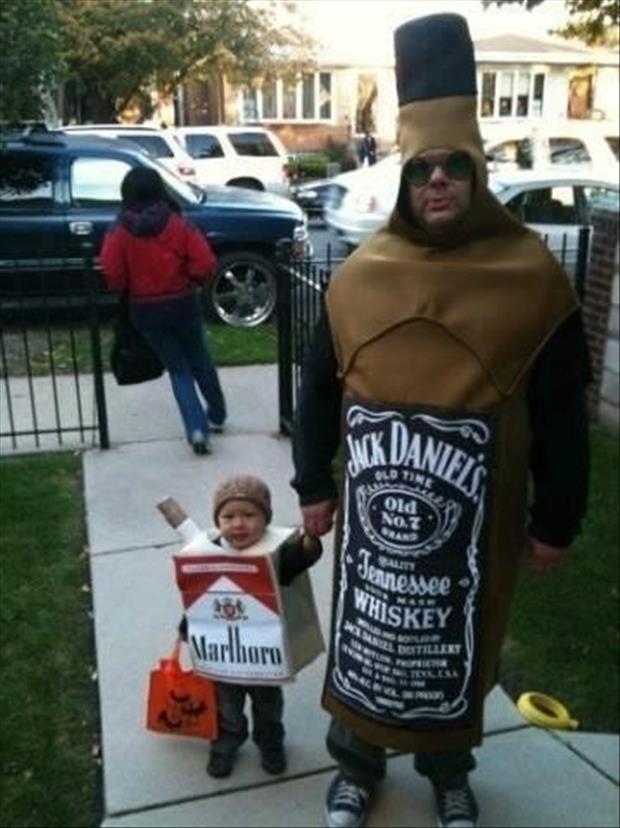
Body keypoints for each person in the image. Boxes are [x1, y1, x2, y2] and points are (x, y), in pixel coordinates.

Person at [291, 14, 590, 828]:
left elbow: (563, 411)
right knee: (372, 634)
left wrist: (556, 520)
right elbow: (317, 388)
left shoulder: (532, 277)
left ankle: (449, 770)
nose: (437, 182)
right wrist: (313, 481)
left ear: (478, 173)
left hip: (480, 520)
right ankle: (356, 767)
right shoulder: (361, 277)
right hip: (378, 522)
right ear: (403, 180)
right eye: (421, 168)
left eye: (454, 166)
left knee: (457, 642)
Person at [179, 475, 323, 779]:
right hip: (223, 657)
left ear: (265, 519)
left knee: (268, 708)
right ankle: (225, 743)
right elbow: (201, 598)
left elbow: (301, 558)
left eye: (248, 514)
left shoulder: (277, 554)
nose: (238, 524)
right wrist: (187, 627)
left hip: (264, 658)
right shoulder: (208, 552)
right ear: (217, 521)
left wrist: (310, 539)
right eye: (228, 516)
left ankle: (270, 743)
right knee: (226, 707)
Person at [100, 167, 226, 455]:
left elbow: (113, 272)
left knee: (178, 370)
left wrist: (127, 288)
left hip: (145, 310)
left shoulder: (119, 230)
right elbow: (205, 262)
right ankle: (217, 414)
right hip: (183, 303)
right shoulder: (178, 224)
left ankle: (196, 429)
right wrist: (191, 279)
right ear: (159, 190)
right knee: (200, 360)